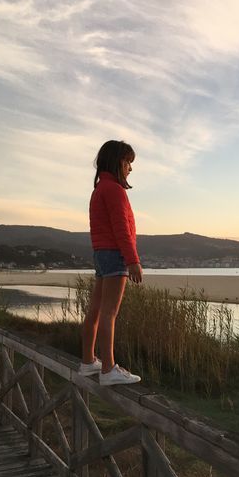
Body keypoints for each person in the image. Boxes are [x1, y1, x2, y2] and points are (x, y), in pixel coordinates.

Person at [80, 140, 143, 386]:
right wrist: (133, 261)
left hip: (101, 253)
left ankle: (88, 361)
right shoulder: (115, 190)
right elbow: (121, 230)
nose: (130, 167)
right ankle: (108, 368)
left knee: (95, 310)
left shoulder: (99, 189)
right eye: (128, 162)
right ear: (118, 161)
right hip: (114, 254)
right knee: (110, 313)